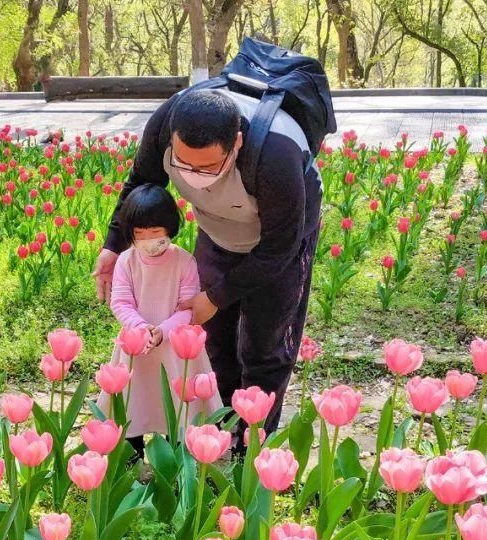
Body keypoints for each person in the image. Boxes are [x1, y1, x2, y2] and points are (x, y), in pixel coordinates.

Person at [92, 88, 321, 433]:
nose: (195, 175)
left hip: (280, 241)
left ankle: (253, 442)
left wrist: (217, 296)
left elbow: (278, 248)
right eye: (184, 164)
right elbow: (142, 181)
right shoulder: (165, 124)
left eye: (210, 166)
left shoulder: (277, 155)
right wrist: (113, 245)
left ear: (238, 143)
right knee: (210, 337)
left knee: (264, 345)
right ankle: (217, 431)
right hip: (216, 230)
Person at [96, 184, 222, 452]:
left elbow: (187, 308)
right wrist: (141, 328)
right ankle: (132, 459)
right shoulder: (126, 262)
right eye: (139, 234)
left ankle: (173, 458)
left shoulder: (184, 262)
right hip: (135, 347)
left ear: (169, 229)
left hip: (176, 348)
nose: (148, 240)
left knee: (175, 403)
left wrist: (162, 331)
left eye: (155, 233)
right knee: (133, 400)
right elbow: (120, 301)